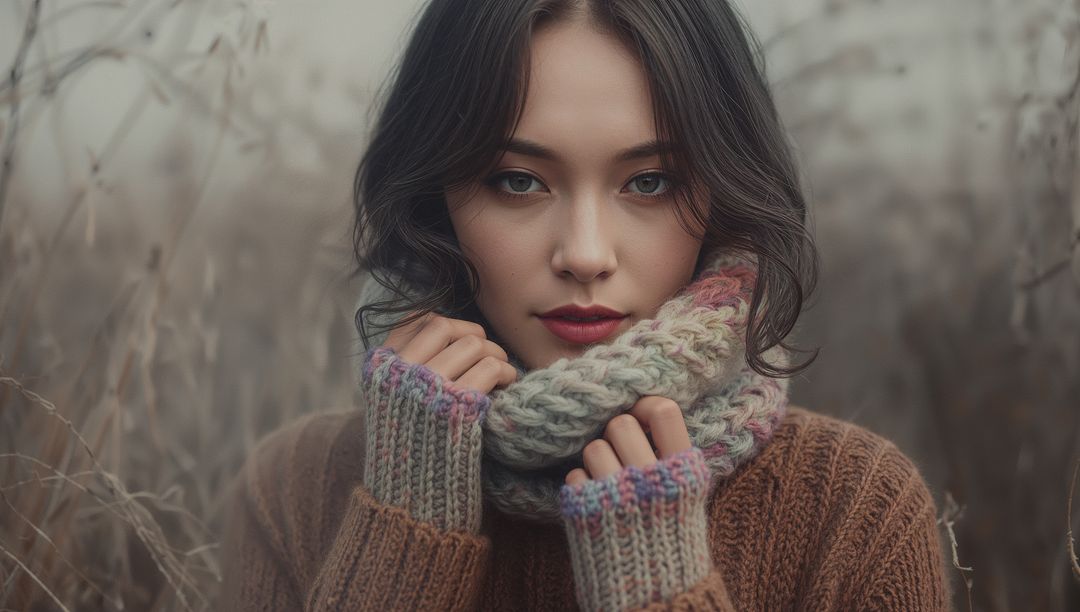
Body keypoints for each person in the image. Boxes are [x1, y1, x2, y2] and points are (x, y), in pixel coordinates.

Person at [219, 0, 952, 609]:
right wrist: (402, 541)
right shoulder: (296, 489)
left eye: (650, 182)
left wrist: (664, 594)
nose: (586, 253)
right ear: (435, 202)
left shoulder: (855, 514)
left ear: (726, 196)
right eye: (516, 180)